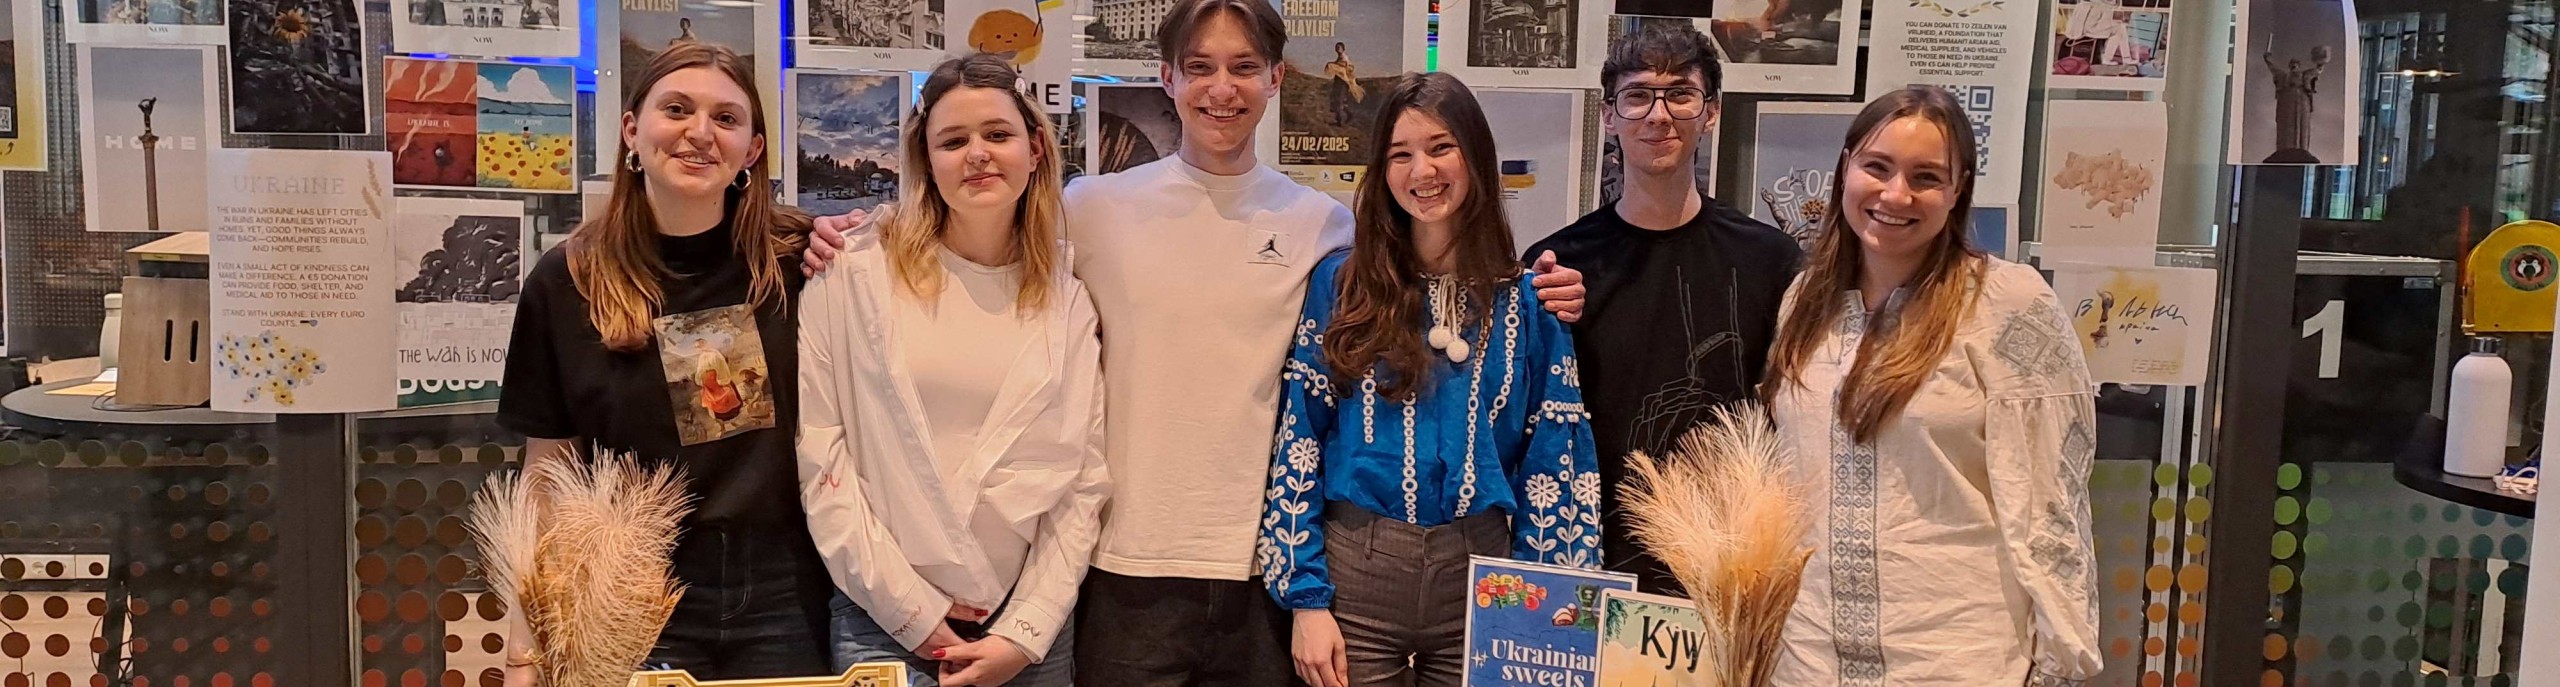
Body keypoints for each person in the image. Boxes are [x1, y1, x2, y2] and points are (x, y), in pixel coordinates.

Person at [802, 3, 1586, 683]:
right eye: (1200, 67)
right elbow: (983, 242)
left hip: (1261, 578)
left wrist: (1545, 286)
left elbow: (1426, 284)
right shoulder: (1091, 208)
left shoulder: (1325, 226)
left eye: (1244, 66)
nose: (1222, 88)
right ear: (1167, 78)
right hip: (1123, 570)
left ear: (1277, 78)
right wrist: (847, 232)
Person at [1259, 72, 1601, 687]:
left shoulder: (1528, 301)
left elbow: (1557, 462)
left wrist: (1550, 613)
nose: (1423, 171)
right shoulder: (1341, 288)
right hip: (1358, 577)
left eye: (1441, 147)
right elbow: (1299, 441)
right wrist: (1306, 599)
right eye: (1400, 154)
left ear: (1475, 155)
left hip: (1486, 576)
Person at [497, 41, 825, 680]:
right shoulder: (567, 282)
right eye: (676, 109)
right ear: (631, 129)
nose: (699, 133)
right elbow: (547, 474)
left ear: (752, 150)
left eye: (726, 119)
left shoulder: (800, 262)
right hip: (629, 592)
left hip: (790, 588)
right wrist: (525, 645)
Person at [1761, 86, 2101, 686]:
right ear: (1845, 169)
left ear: (1958, 189)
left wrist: (2058, 663)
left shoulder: (2009, 304)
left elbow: (2052, 501)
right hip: (1808, 660)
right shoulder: (1803, 303)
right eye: (1877, 167)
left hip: (1953, 658)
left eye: (1925, 176)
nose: (1896, 194)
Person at [797, 53, 1108, 687]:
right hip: (879, 619)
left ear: (1036, 149)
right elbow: (823, 464)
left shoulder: (1066, 296)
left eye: (997, 134)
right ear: (925, 158)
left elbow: (1083, 480)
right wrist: (914, 614)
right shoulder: (854, 276)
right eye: (953, 140)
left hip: (1027, 631)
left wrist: (1026, 629)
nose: (978, 154)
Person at [1522, 21, 1800, 594]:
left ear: (1711, 111)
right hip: (1590, 556)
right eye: (1638, 95)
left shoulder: (1769, 260)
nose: (1658, 114)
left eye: (1680, 94)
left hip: (1729, 565)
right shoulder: (1556, 264)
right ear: (1609, 115)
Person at [1323, 41, 1363, 126]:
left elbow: (1345, 68)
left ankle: (1340, 121)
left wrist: (1332, 65)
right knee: (1337, 100)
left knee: (1339, 101)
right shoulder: (1340, 58)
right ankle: (1346, 116)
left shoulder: (1344, 58)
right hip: (1339, 81)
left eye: (1339, 48)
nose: (1337, 49)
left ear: (1343, 49)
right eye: (1336, 48)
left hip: (1342, 82)